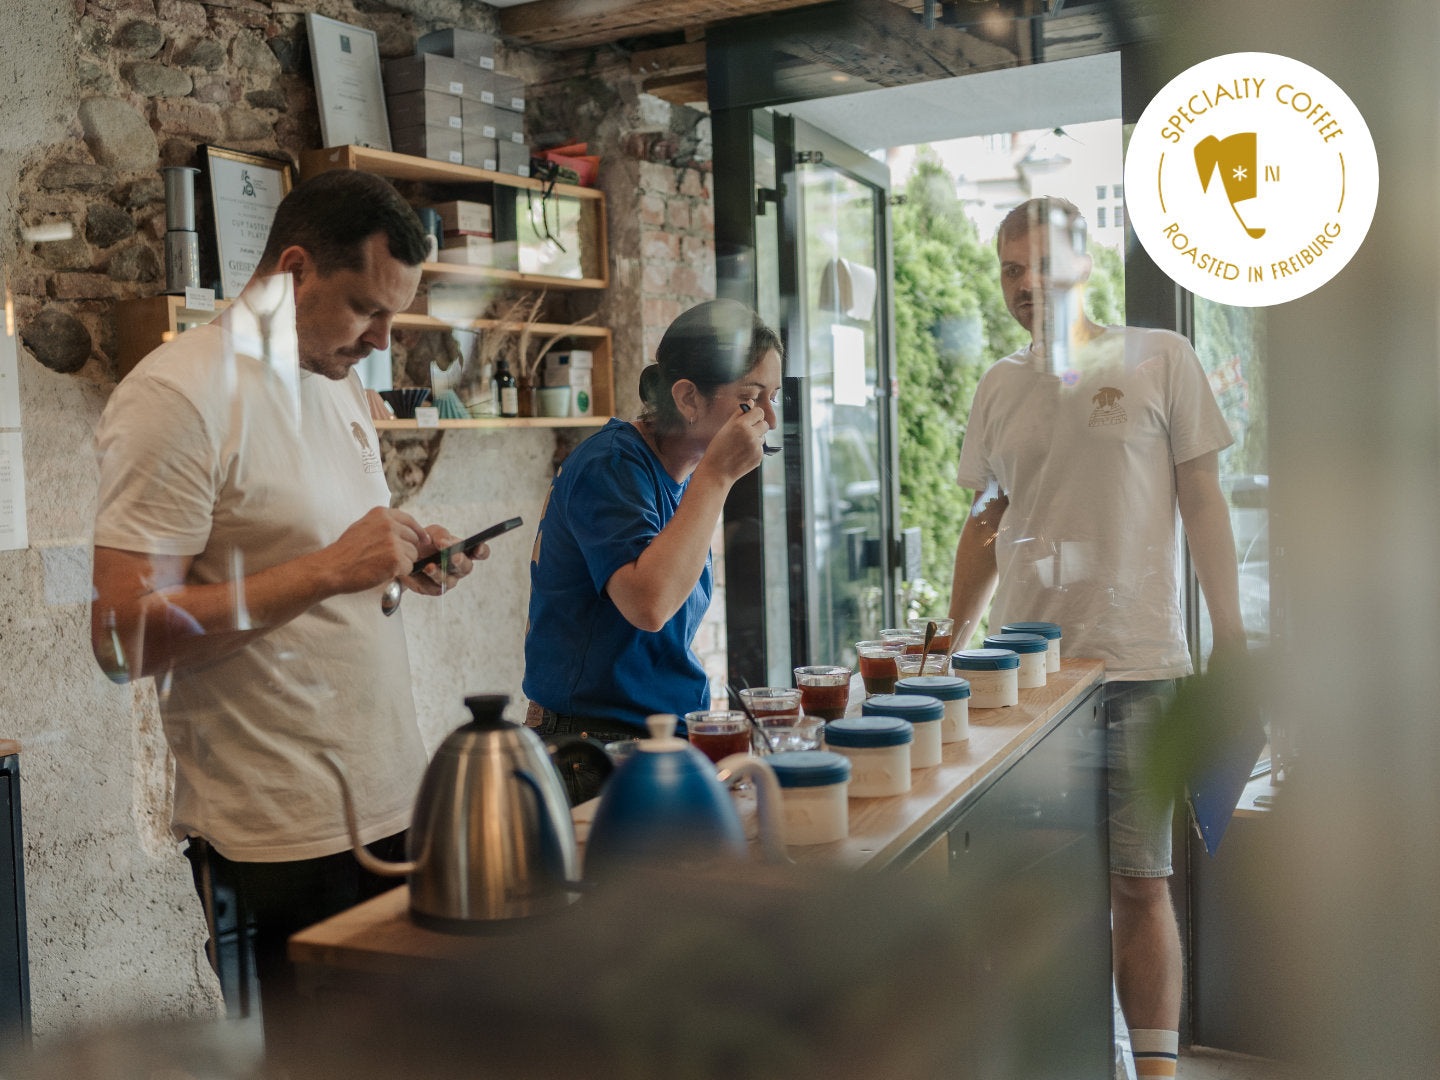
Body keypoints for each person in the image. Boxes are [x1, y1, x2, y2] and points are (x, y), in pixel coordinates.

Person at [89, 170, 483, 1042]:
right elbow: (120, 641)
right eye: (364, 310)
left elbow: (319, 567)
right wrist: (324, 571)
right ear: (293, 269)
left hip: (391, 807)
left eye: (395, 316)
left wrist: (399, 565)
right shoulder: (175, 398)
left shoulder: (335, 377)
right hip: (276, 839)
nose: (380, 341)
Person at [947, 198, 1246, 1080]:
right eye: (1010, 268)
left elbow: (1204, 498)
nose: (1026, 284)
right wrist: (949, 641)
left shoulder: (1161, 358)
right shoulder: (999, 384)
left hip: (1139, 666)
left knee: (1138, 883)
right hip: (1025, 683)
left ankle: (1153, 1075)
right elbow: (986, 519)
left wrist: (1230, 634)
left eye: (1042, 263)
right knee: (1038, 894)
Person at [523, 299, 782, 797]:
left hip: (658, 736)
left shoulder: (682, 476)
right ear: (687, 398)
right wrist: (718, 476)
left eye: (774, 397)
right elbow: (650, 603)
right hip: (589, 750)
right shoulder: (612, 466)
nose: (768, 418)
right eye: (751, 399)